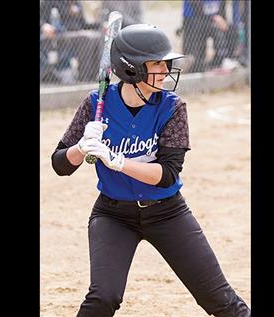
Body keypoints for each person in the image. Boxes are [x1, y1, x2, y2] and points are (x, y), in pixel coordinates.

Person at [51, 24, 251, 317]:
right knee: (102, 298)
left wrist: (118, 161)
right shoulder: (97, 103)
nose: (166, 68)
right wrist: (80, 148)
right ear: (131, 69)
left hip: (167, 212)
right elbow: (60, 165)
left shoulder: (173, 107)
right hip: (113, 214)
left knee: (220, 300)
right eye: (157, 62)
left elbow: (167, 174)